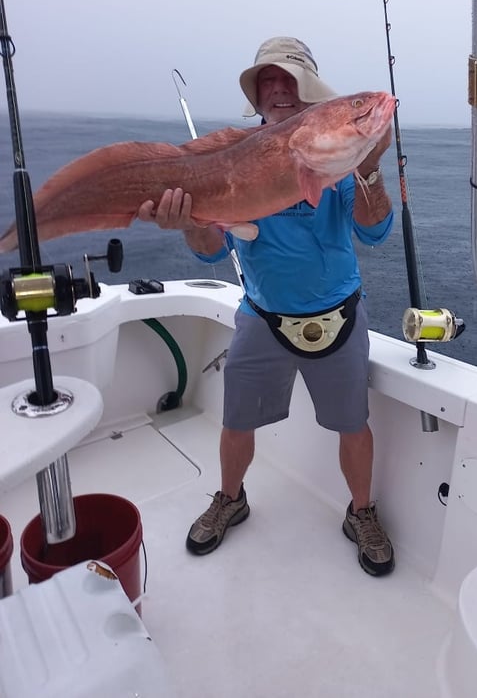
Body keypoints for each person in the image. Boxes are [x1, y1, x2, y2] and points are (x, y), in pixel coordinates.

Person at [137, 36, 395, 576]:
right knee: (236, 423)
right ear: (256, 97)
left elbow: (375, 232)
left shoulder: (337, 155)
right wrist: (190, 222)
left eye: (289, 80)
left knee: (354, 424)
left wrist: (368, 166)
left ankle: (361, 511)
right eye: (267, 82)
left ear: (308, 92)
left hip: (338, 317)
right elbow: (212, 253)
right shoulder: (234, 160)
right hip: (262, 317)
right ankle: (230, 498)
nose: (277, 89)